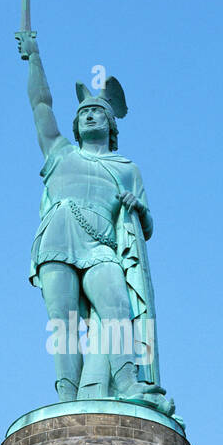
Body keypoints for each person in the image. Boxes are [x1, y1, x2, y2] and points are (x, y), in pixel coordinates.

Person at [15, 30, 174, 416]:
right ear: (75, 124)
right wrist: (35, 57)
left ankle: (127, 381)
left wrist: (136, 206)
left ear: (110, 125)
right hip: (56, 239)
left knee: (118, 307)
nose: (89, 115)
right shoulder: (59, 153)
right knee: (63, 325)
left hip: (101, 245)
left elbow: (148, 224)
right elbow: (40, 104)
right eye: (83, 112)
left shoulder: (126, 169)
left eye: (97, 112)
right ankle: (68, 401)